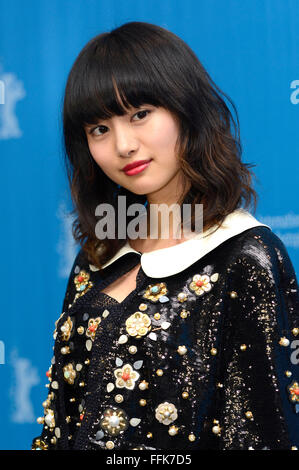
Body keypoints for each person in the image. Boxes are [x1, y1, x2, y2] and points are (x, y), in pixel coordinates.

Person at [32, 21, 299, 451]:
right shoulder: (97, 257)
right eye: (99, 129)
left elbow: (264, 435)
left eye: (140, 115)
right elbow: (59, 422)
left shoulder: (246, 255)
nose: (123, 145)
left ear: (185, 109)